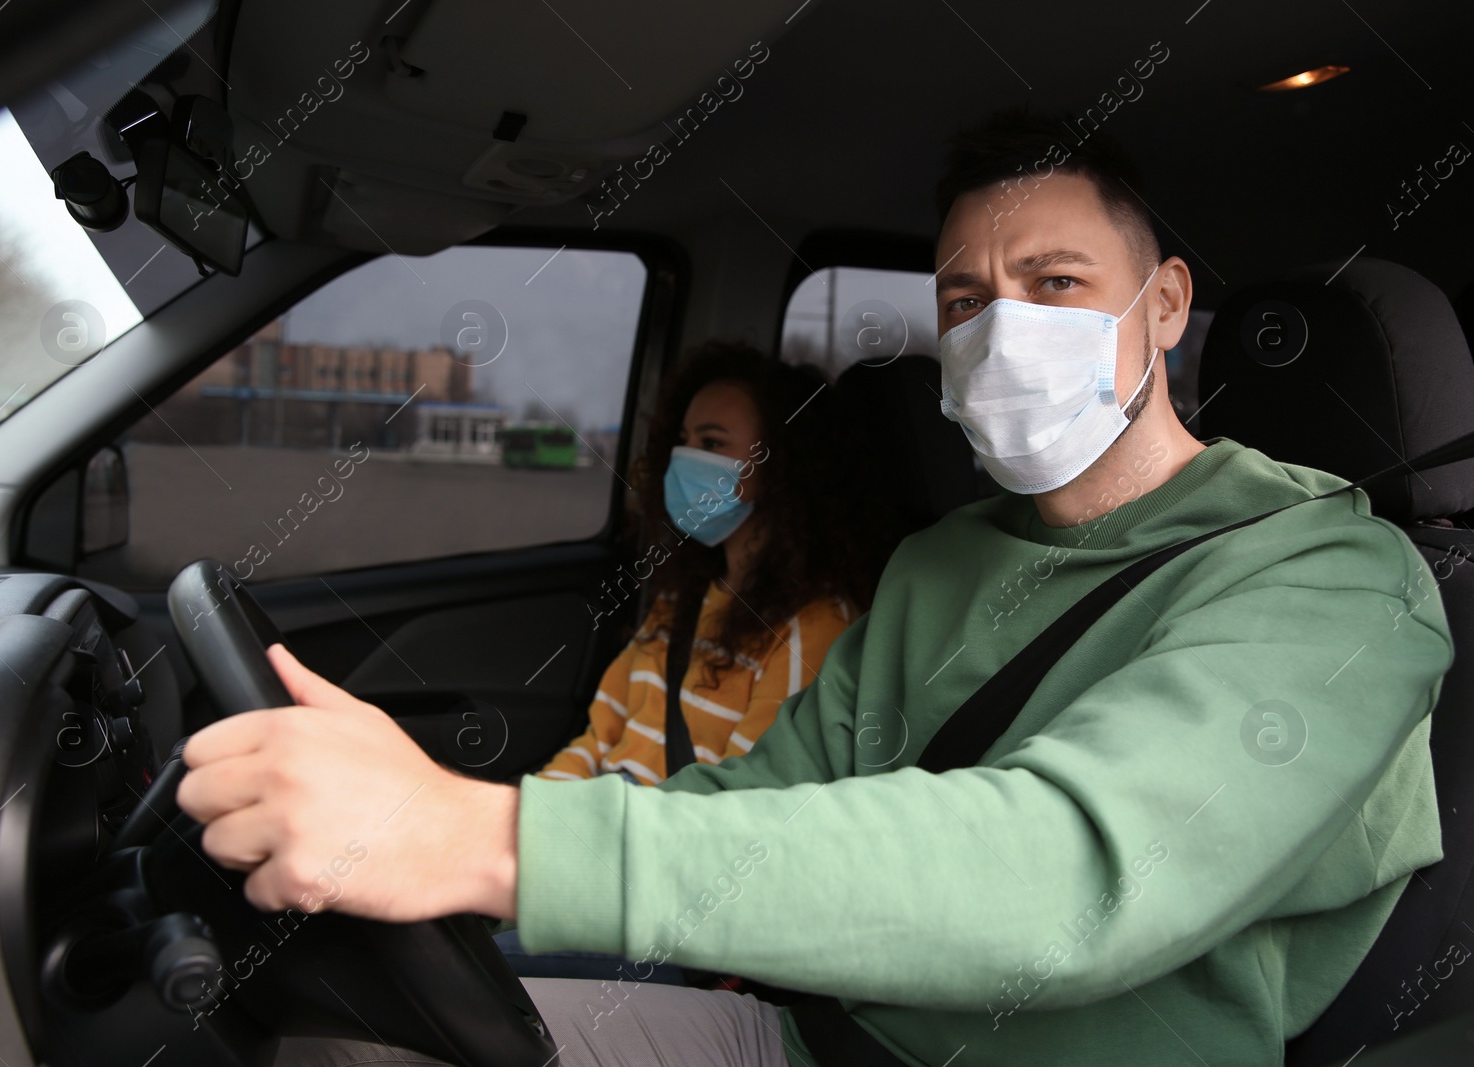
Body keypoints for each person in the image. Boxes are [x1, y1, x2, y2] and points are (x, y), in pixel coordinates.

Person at [177, 110, 1452, 1067]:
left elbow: (1070, 871)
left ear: (1163, 304)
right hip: (817, 1037)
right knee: (356, 1041)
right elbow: (763, 794)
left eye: (1056, 284)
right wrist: (442, 804)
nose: (1002, 328)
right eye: (966, 297)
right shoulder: (939, 561)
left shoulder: (1333, 579)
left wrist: (480, 838)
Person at [540, 341, 889, 788]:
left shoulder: (813, 629)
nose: (685, 458)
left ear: (781, 463)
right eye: (683, 441)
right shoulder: (681, 599)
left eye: (711, 443)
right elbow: (598, 739)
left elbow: (739, 799)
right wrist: (537, 810)